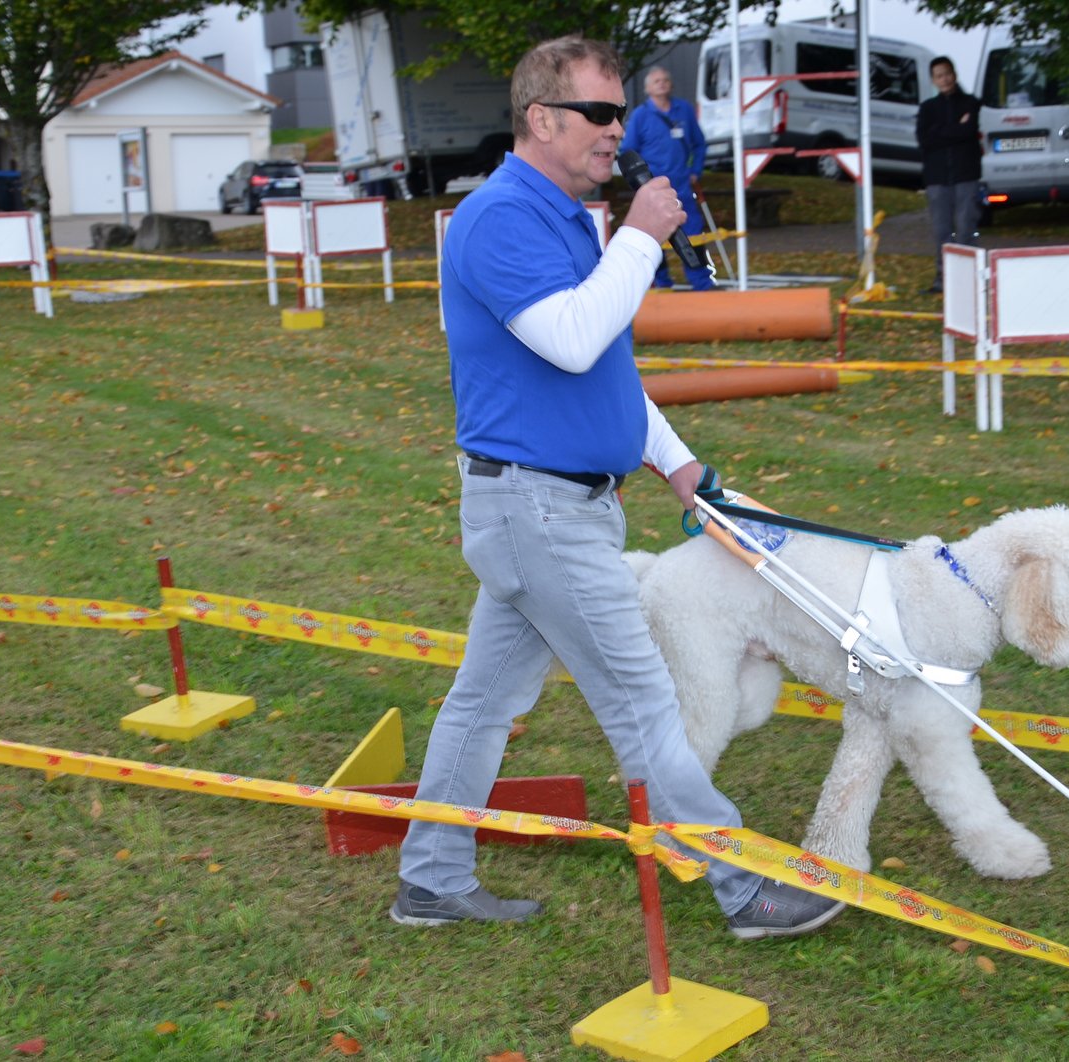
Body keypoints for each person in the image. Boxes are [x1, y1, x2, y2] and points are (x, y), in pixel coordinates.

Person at [392, 35, 844, 942]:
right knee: (644, 702)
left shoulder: (563, 214)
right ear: (542, 119)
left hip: (556, 509)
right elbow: (569, 337)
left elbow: (601, 368)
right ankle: (742, 885)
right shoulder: (497, 219)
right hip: (538, 511)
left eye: (622, 112)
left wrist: (676, 464)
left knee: (483, 704)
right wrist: (639, 235)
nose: (618, 130)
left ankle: (431, 880)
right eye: (601, 113)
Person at [619, 65, 715, 290]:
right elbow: (628, 152)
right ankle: (662, 284)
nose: (662, 84)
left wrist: (696, 171)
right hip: (654, 188)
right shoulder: (641, 116)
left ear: (670, 84)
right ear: (647, 89)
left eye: (665, 80)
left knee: (693, 236)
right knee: (656, 237)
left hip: (682, 185)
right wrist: (640, 181)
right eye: (656, 81)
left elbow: (699, 144)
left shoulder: (684, 110)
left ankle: (702, 284)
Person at [915, 56, 982, 294]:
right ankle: (943, 280)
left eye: (947, 74)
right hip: (937, 179)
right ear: (933, 80)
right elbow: (925, 140)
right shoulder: (927, 109)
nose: (944, 79)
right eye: (939, 75)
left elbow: (969, 131)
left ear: (954, 74)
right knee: (942, 231)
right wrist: (957, 129)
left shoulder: (971, 103)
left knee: (966, 228)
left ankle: (970, 279)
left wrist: (943, 133)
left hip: (966, 175)